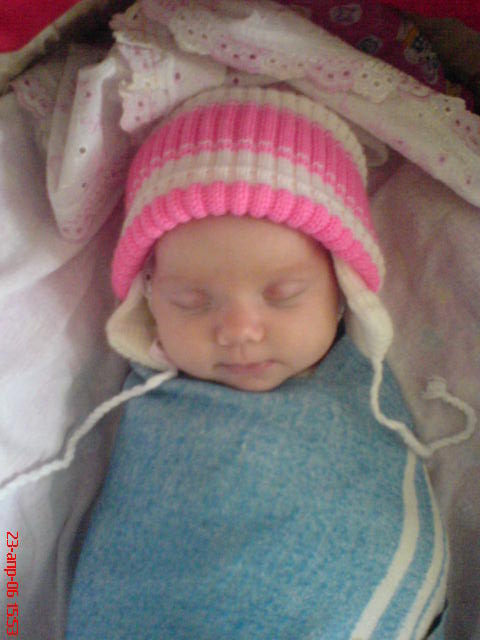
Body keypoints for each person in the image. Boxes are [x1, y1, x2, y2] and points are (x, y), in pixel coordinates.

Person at [67, 87, 450, 639]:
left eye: (284, 295)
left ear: (343, 291)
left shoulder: (357, 396)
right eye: (190, 302)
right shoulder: (152, 409)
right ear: (147, 299)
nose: (239, 331)